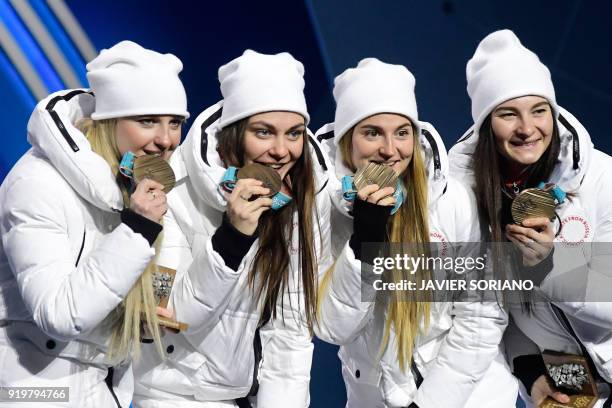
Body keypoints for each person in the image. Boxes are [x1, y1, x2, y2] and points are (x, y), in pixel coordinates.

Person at [133, 50, 331, 408]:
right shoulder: (174, 185)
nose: (281, 151)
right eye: (264, 132)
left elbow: (291, 335)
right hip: (168, 394)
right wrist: (233, 236)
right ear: (235, 133)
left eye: (294, 134)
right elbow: (171, 312)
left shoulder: (304, 200)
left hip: (239, 395)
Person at [315, 58, 517, 408]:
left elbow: (482, 316)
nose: (390, 150)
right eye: (372, 132)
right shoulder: (322, 210)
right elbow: (333, 329)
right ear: (347, 140)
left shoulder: (452, 200)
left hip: (468, 397)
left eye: (402, 132)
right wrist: (365, 240)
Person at [0, 40, 188, 407]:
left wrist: (140, 319)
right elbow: (58, 313)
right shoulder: (37, 183)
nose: (165, 140)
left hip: (104, 389)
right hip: (30, 390)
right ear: (110, 121)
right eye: (147, 121)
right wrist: (138, 230)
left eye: (175, 123)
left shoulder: (135, 187)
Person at [449, 29, 612, 407]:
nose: (527, 128)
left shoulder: (602, 180)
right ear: (487, 125)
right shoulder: (468, 207)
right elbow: (495, 313)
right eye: (509, 114)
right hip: (571, 379)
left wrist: (550, 268)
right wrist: (533, 375)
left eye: (539, 110)